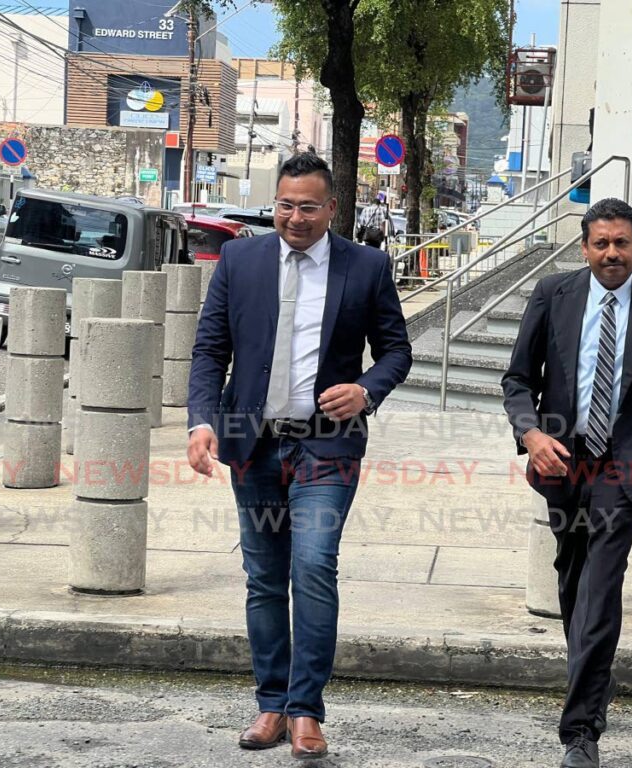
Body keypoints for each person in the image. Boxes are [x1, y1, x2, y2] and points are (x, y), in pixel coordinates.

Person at [187, 153, 412, 760]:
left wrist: (367, 389)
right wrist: (202, 423)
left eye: (308, 206)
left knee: (312, 566)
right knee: (264, 579)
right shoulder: (240, 259)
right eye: (285, 205)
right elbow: (210, 350)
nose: (295, 217)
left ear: (331, 208)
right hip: (252, 445)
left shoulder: (366, 267)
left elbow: (397, 350)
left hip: (327, 447)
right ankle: (271, 704)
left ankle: (306, 709)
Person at [501, 198, 632, 768]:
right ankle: (595, 682)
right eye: (601, 243)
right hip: (561, 459)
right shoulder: (553, 295)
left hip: (628, 462)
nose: (612, 253)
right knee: (570, 576)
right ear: (585, 247)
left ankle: (581, 731)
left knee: (600, 585)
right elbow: (518, 379)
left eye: (622, 243)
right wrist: (531, 435)